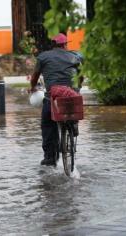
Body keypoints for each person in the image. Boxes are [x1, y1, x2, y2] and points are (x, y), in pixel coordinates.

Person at [29, 33, 84, 166]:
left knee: (47, 124)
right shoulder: (74, 57)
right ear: (65, 45)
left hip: (52, 97)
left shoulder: (43, 57)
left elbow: (35, 77)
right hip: (71, 96)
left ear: (52, 45)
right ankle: (73, 124)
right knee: (72, 106)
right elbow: (81, 76)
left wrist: (33, 88)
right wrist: (78, 88)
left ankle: (50, 158)